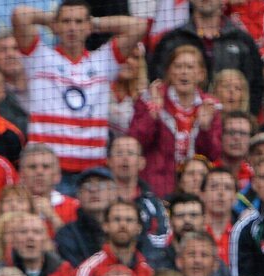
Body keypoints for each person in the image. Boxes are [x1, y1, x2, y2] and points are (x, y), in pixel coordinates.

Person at [12, 1, 148, 182]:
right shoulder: (40, 57)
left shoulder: (103, 61)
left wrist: (96, 24)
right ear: (56, 26)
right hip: (49, 171)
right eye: (66, 22)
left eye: (78, 22)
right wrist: (52, 21)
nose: (72, 28)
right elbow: (20, 15)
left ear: (88, 26)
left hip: (92, 172)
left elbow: (139, 25)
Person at [129, 45, 221, 199]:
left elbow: (213, 154)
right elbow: (135, 142)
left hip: (196, 190)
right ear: (170, 72)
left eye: (190, 67)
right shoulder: (149, 99)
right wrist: (154, 113)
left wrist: (205, 128)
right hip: (157, 187)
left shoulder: (211, 106)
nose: (184, 72)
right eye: (178, 66)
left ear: (201, 74)